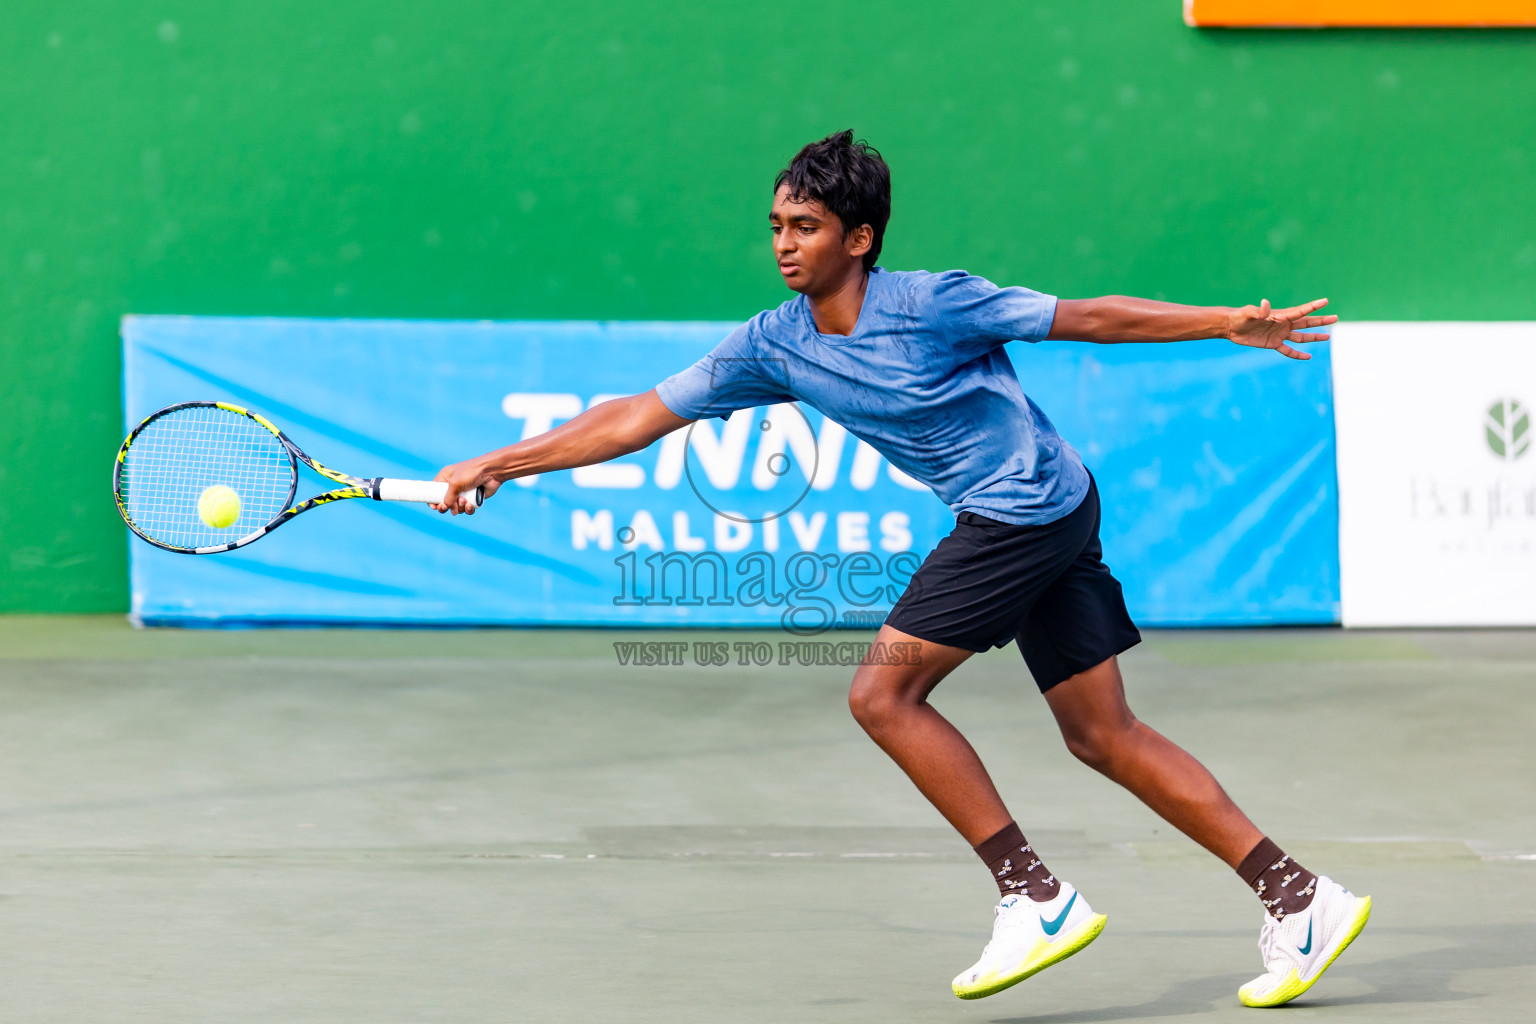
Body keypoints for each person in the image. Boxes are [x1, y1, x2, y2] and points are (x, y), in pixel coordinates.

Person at [431, 130, 1370, 1007]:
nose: (785, 246)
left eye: (806, 227)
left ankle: (1034, 896)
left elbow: (1086, 318)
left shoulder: (934, 303)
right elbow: (637, 415)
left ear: (861, 237)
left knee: (883, 697)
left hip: (1024, 510)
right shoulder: (775, 343)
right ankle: (1299, 899)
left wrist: (1223, 323)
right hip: (1053, 503)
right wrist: (498, 462)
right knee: (1102, 734)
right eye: (776, 227)